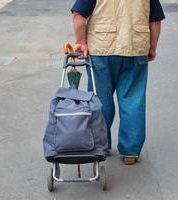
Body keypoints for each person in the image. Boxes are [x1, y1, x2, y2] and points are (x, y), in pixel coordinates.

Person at [71, 0, 165, 165]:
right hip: (135, 48)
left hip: (101, 49)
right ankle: (130, 152)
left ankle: (101, 146)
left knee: (99, 100)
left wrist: (81, 42)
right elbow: (155, 20)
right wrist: (152, 47)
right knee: (133, 101)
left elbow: (78, 15)